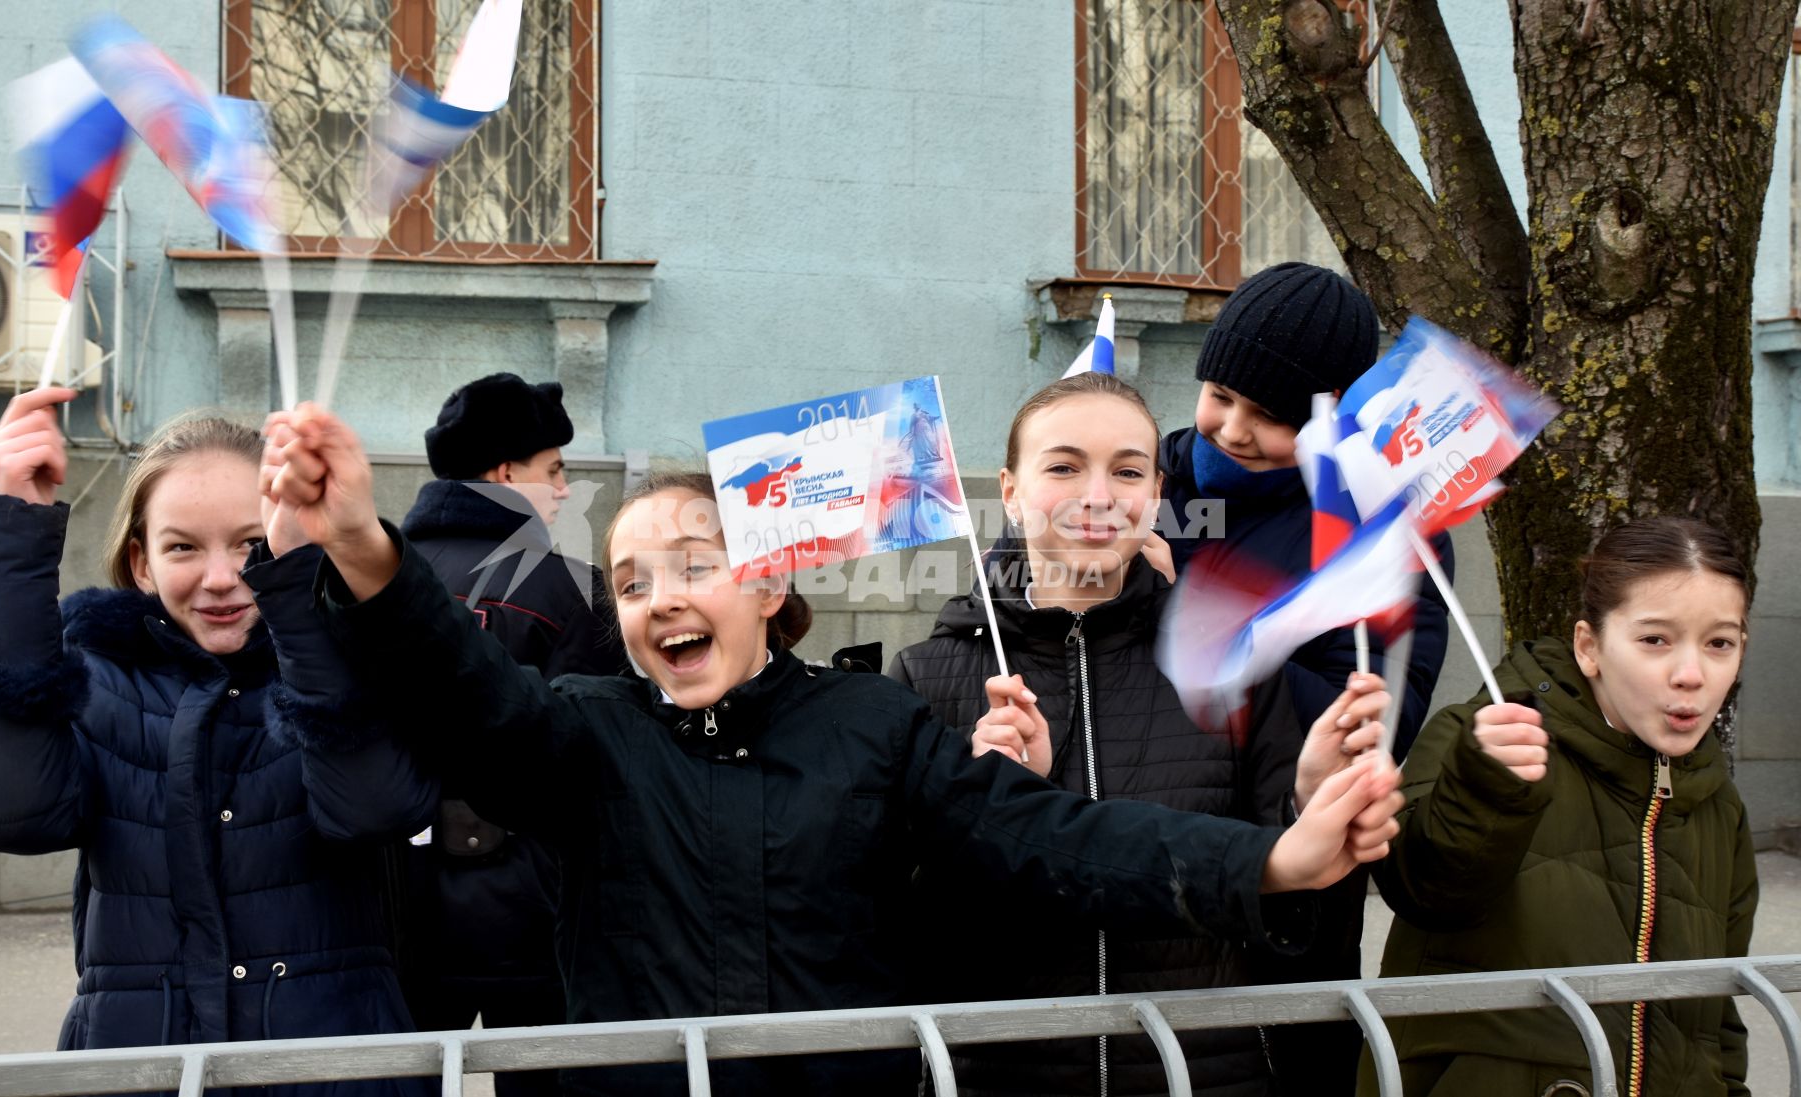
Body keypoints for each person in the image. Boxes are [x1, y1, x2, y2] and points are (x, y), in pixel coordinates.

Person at [259, 404, 1406, 1096]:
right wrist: (362, 542)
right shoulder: (584, 731)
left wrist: (1275, 864)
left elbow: (1060, 836)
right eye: (631, 581)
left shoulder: (873, 723)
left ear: (766, 583)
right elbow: (464, 696)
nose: (663, 601)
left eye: (696, 563)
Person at [0, 390, 430, 1097]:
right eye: (183, 545)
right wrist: (12, 531)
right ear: (142, 563)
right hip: (135, 1066)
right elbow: (5, 811)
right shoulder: (98, 681)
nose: (221, 578)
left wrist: (302, 597)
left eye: (252, 544)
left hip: (336, 1074)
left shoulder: (352, 662)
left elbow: (376, 806)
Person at [890, 370, 1387, 1097]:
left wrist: (1309, 803)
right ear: (1012, 489)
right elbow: (899, 929)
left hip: (1208, 1075)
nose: (1098, 496)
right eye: (1063, 466)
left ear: (1155, 494)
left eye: (1126, 470)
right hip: (1003, 1078)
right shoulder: (927, 675)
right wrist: (998, 805)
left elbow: (1307, 923)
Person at [1155, 262, 1456, 1091]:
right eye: (1220, 393)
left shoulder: (1379, 527)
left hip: (1285, 914)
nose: (1233, 429)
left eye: (1273, 415)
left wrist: (1191, 618)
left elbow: (1371, 729)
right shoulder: (1138, 483)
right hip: (1141, 880)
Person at [1365, 516, 1757, 1096]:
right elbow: (1424, 888)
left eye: (1719, 643)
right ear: (1589, 647)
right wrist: (1485, 787)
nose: (1691, 675)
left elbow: (1717, 1016)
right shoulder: (1485, 740)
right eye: (1655, 639)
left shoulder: (1716, 802)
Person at [396, 374, 625, 1096]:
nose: (563, 489)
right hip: (538, 915)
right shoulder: (570, 588)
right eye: (551, 470)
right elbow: (591, 756)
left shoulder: (375, 577)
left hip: (398, 908)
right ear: (504, 475)